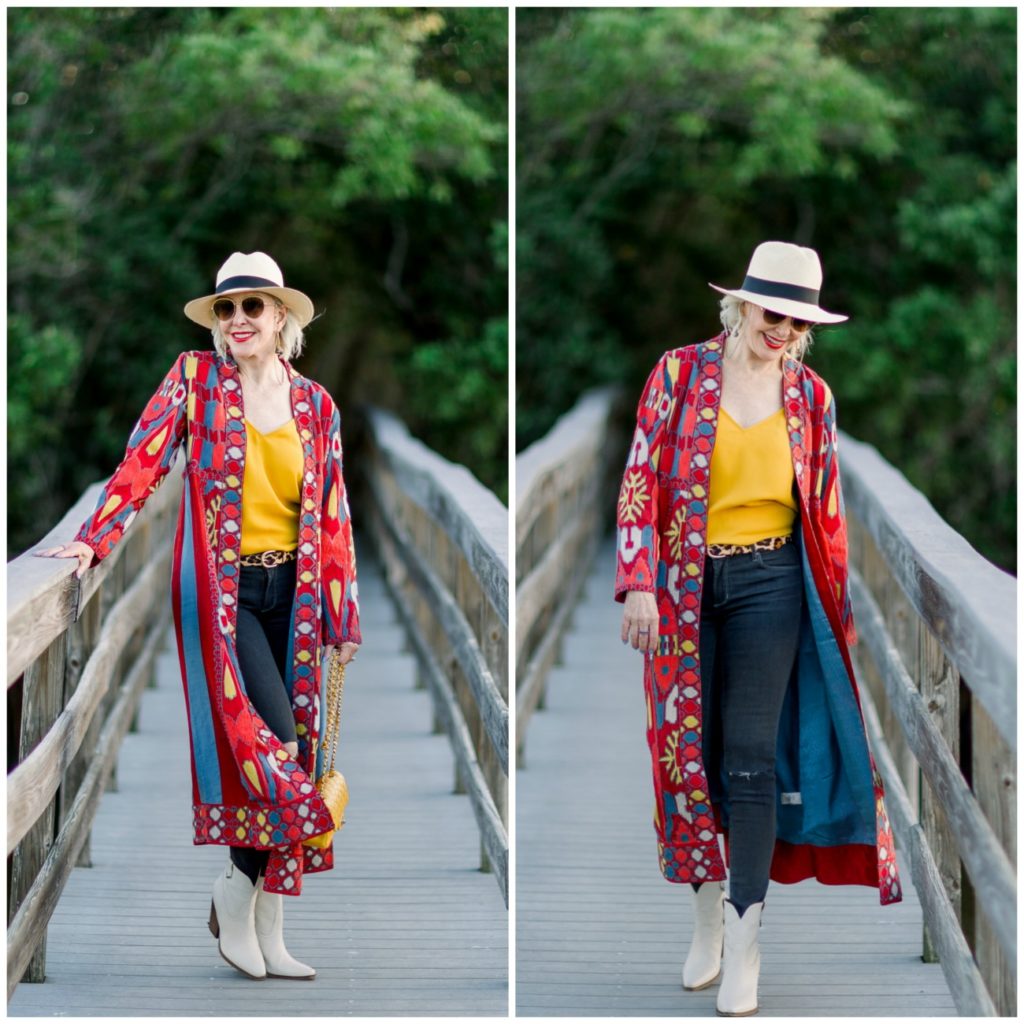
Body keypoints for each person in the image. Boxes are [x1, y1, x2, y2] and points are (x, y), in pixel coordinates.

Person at [37, 251, 361, 981]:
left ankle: (265, 925)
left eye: (254, 307)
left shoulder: (316, 405)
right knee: (271, 741)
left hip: (300, 599)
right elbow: (141, 462)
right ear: (217, 323)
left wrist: (343, 616)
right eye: (227, 309)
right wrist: (95, 540)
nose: (240, 320)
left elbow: (335, 513)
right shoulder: (195, 382)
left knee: (298, 754)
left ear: (282, 317)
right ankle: (234, 892)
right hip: (225, 597)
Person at [614, 241, 902, 1016]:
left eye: (799, 321)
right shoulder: (678, 374)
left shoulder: (812, 398)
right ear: (740, 304)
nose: (782, 331)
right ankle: (706, 917)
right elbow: (640, 475)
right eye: (773, 313)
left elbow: (829, 509)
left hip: (771, 580)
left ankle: (746, 941)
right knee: (689, 751)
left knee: (748, 758)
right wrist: (637, 580)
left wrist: (834, 613)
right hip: (680, 585)